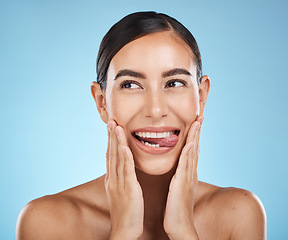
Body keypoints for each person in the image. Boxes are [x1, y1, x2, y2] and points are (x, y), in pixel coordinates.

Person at [16, 11, 267, 240]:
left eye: (174, 83)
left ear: (201, 96)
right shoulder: (46, 222)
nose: (156, 110)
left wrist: (183, 230)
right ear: (101, 102)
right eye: (130, 85)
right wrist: (123, 231)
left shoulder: (240, 214)